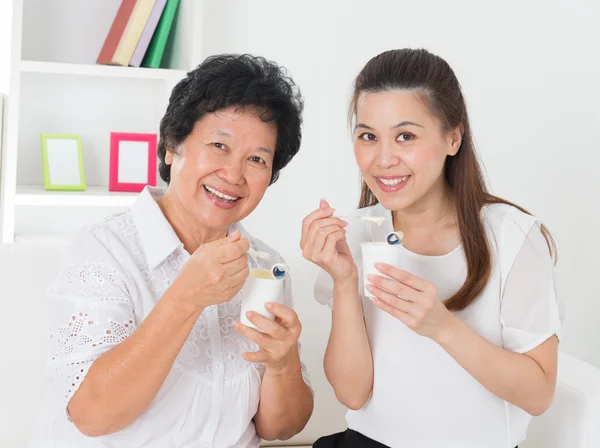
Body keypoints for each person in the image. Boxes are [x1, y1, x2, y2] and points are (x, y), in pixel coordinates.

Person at [30, 54, 313, 448]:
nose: (233, 175)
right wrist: (186, 297)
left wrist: (283, 365)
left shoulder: (266, 267)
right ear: (171, 145)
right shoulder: (105, 251)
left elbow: (279, 429)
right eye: (218, 145)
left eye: (256, 159)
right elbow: (91, 415)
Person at [301, 48, 563, 448]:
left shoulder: (512, 237)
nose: (384, 159)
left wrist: (443, 327)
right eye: (368, 136)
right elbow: (352, 395)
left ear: (453, 138)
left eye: (405, 136)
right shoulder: (353, 235)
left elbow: (539, 394)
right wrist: (343, 281)